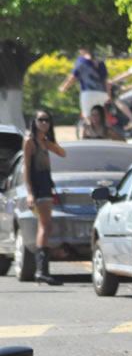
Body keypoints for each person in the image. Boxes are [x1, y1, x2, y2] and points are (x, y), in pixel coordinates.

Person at [23, 110, 66, 285]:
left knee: (46, 226)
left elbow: (62, 153)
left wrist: (49, 140)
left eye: (47, 120)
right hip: (38, 185)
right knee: (45, 225)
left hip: (47, 184)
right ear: (34, 122)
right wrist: (30, 192)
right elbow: (26, 168)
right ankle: (41, 271)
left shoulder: (44, 142)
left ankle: (42, 270)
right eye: (40, 120)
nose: (44, 123)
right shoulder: (30, 141)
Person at [59, 48, 110, 120]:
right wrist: (108, 95)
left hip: (88, 92)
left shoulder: (81, 61)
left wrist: (64, 87)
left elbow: (73, 76)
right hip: (102, 93)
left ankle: (90, 127)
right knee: (100, 116)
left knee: (87, 116)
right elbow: (105, 80)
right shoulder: (100, 62)